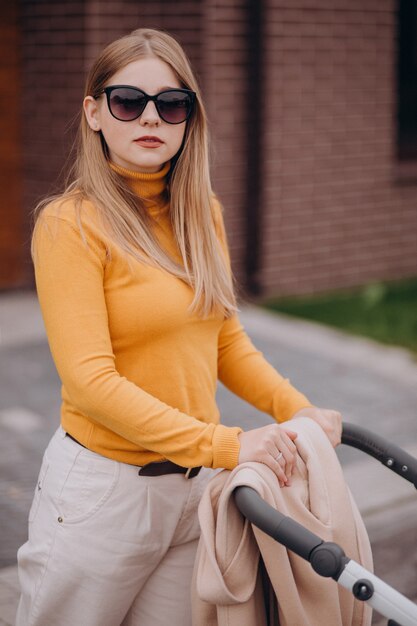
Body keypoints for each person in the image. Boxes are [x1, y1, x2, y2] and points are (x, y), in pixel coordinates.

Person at [16, 28, 342, 626]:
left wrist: (298, 410)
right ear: (93, 112)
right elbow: (90, 381)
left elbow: (224, 340)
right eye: (127, 101)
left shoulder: (201, 213)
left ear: (190, 118)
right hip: (104, 494)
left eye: (171, 104)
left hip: (194, 490)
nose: (151, 118)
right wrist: (231, 445)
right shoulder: (70, 225)